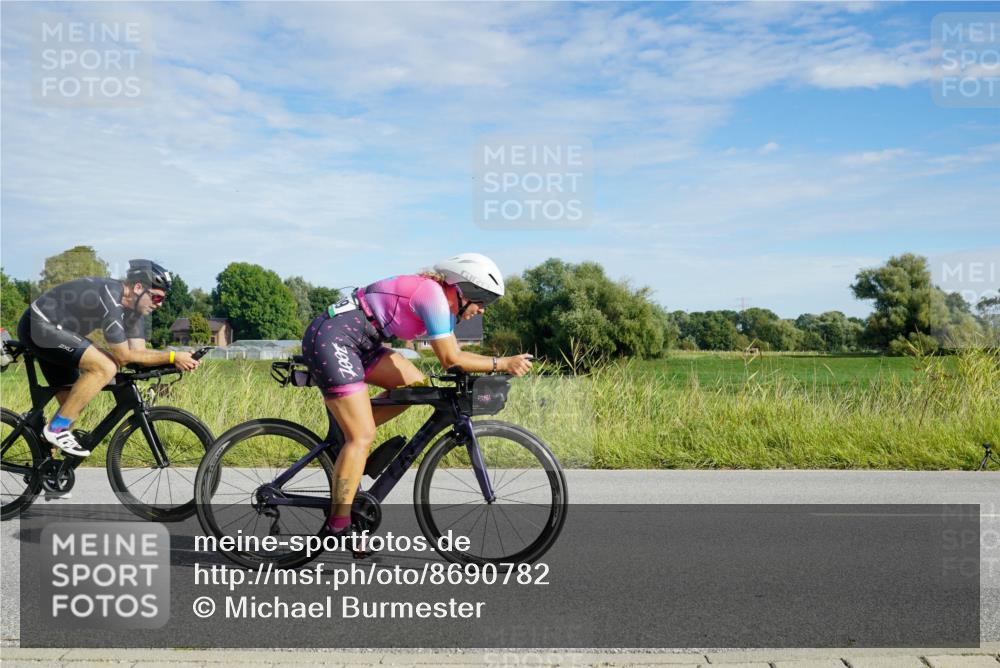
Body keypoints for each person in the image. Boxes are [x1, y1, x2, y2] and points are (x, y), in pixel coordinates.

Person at [301, 252, 533, 539]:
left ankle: (352, 438)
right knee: (361, 436)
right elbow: (451, 358)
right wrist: (503, 363)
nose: (483, 310)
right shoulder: (433, 296)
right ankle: (338, 525)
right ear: (465, 291)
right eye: (483, 301)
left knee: (416, 385)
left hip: (362, 339)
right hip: (334, 337)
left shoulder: (441, 303)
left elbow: (452, 355)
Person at [16, 259, 201, 457]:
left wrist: (176, 360)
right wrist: (173, 356)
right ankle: (55, 430)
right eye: (156, 298)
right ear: (138, 287)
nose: (160, 305)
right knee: (106, 367)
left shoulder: (134, 313)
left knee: (71, 405)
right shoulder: (113, 297)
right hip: (39, 325)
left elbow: (139, 354)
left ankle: (46, 468)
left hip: (61, 332)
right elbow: (123, 357)